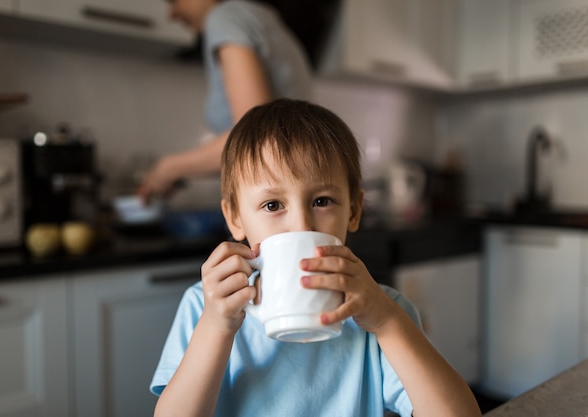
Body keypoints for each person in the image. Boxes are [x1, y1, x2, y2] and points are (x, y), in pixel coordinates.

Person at [149, 98, 482, 417]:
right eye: (273, 205)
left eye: (322, 201)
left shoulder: (383, 310)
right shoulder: (204, 308)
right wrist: (216, 327)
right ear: (235, 217)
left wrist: (386, 322)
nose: (301, 226)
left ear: (354, 210)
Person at [137, 0, 314, 201]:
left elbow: (256, 135)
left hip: (274, 205)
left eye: (174, 1)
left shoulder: (225, 17)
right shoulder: (263, 19)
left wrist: (170, 168)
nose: (172, 14)